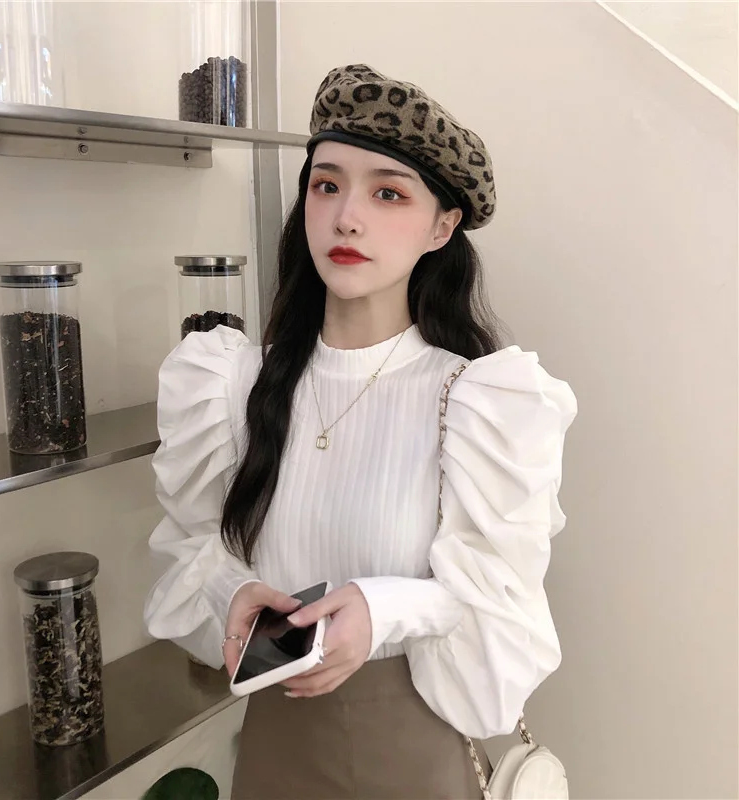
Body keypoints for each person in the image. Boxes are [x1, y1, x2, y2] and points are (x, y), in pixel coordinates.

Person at [143, 64, 577, 799]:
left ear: (442, 227)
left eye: (388, 193)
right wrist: (233, 590)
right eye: (327, 185)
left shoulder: (476, 401)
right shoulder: (232, 384)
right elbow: (191, 553)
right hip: (275, 740)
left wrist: (384, 609)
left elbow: (497, 599)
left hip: (411, 745)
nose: (347, 217)